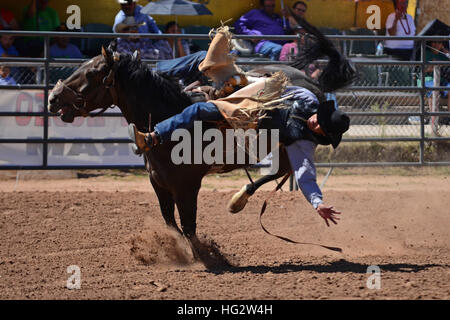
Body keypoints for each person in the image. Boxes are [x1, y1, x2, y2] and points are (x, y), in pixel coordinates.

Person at [128, 29, 349, 227]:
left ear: (322, 135)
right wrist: (244, 80)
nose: (315, 122)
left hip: (247, 121)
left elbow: (305, 175)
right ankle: (153, 72)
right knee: (203, 60)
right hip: (254, 97)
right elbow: (275, 85)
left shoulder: (302, 143)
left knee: (199, 111)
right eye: (319, 118)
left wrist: (317, 203)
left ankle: (152, 138)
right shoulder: (307, 98)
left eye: (320, 127)